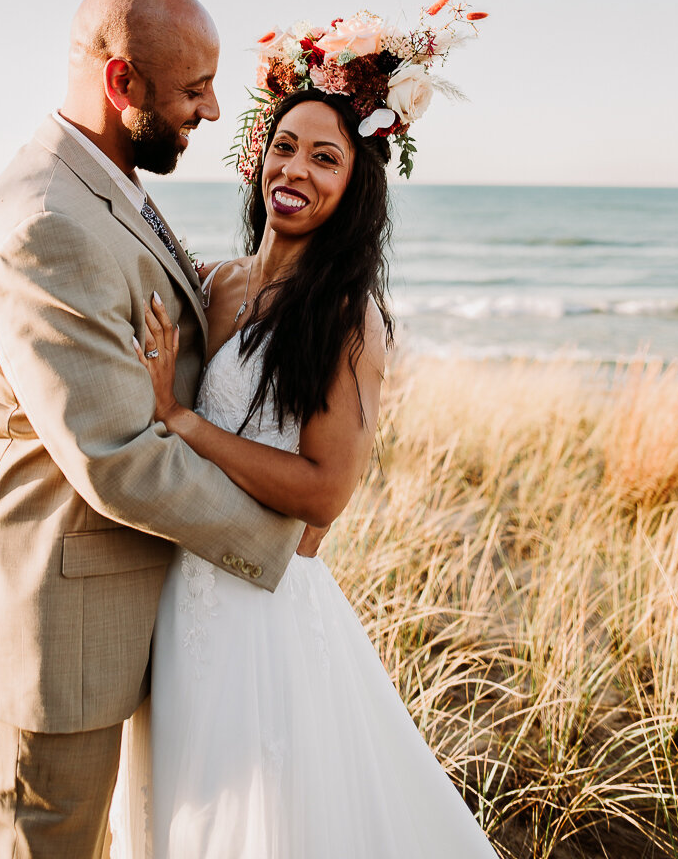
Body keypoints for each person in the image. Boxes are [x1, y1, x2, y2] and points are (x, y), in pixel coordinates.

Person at [0, 0, 306, 859]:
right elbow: (117, 454)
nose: (212, 110)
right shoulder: (46, 222)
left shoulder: (103, 184)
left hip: (92, 625)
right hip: (39, 642)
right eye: (193, 87)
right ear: (123, 84)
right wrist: (281, 537)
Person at [110, 83, 499, 854]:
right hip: (169, 590)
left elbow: (325, 493)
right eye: (285, 146)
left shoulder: (348, 318)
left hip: (260, 608)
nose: (297, 169)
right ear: (260, 157)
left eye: (326, 158)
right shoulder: (213, 284)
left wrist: (183, 421)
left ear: (355, 186)